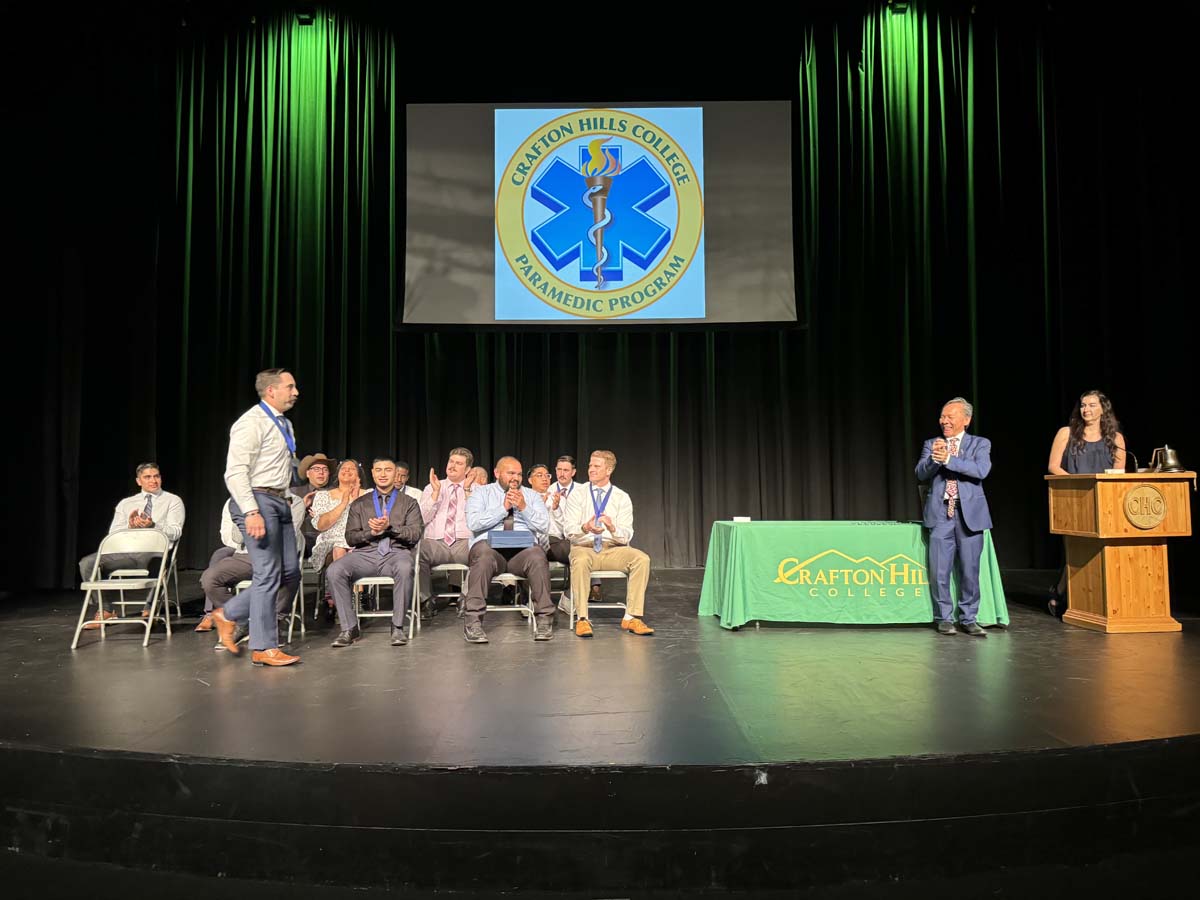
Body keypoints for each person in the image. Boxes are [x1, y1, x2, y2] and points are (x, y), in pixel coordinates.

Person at [213, 368, 302, 667]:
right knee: (267, 573)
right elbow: (235, 471)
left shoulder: (283, 424)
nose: (296, 392)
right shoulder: (250, 423)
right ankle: (264, 646)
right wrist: (251, 510)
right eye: (290, 387)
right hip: (257, 499)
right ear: (271, 391)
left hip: (279, 500)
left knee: (291, 572)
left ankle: (228, 613)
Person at [915, 397, 993, 638]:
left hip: (969, 515)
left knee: (970, 570)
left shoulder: (980, 444)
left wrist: (949, 459)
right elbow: (920, 473)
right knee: (939, 570)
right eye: (942, 416)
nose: (944, 421)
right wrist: (934, 460)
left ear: (966, 420)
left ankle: (969, 618)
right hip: (940, 514)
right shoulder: (932, 443)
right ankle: (944, 618)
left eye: (950, 417)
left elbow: (981, 471)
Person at [1045, 390, 1127, 616]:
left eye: (1092, 405)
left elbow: (1119, 473)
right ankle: (1063, 592)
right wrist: (1078, 486)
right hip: (1074, 500)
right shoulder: (1067, 433)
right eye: (1083, 405)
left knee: (1099, 552)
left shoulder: (1115, 438)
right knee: (1075, 550)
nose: (1086, 410)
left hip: (1106, 502)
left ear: (1103, 409)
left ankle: (1081, 597)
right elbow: (1054, 466)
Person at [327, 457, 423, 648]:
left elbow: (415, 534)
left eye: (388, 470)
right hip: (366, 554)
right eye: (378, 470)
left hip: (396, 552)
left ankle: (397, 627)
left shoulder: (409, 502)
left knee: (405, 567)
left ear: (396, 474)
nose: (383, 474)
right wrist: (371, 532)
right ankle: (349, 628)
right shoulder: (360, 504)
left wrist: (390, 528)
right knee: (335, 570)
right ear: (372, 473)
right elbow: (350, 538)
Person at [79, 462, 186, 627]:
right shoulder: (126, 503)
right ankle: (106, 610)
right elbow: (112, 533)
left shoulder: (172, 500)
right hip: (127, 552)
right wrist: (129, 526)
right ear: (138, 481)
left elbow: (176, 531)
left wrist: (153, 526)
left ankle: (150, 609)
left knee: (159, 559)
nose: (153, 480)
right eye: (147, 477)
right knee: (87, 563)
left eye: (156, 476)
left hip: (154, 551)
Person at [561, 450, 654, 638]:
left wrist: (612, 528)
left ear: (609, 470)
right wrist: (585, 527)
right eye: (590, 465)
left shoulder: (621, 497)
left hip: (612, 549)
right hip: (584, 548)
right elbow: (568, 530)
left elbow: (626, 535)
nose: (591, 470)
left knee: (641, 559)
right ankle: (582, 619)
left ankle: (631, 616)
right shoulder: (578, 494)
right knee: (579, 561)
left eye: (597, 466)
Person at [463, 456, 555, 643]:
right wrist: (503, 508)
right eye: (510, 473)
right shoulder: (481, 494)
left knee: (538, 556)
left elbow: (544, 525)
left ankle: (544, 619)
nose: (515, 478)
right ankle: (473, 622)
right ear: (497, 473)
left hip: (522, 550)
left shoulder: (531, 496)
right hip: (489, 546)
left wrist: (523, 507)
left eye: (519, 474)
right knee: (483, 558)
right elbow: (474, 523)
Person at [197, 494, 306, 636]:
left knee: (289, 573)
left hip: (277, 556)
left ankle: (273, 623)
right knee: (210, 578)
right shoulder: (238, 502)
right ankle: (242, 621)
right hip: (245, 556)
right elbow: (237, 537)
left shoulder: (294, 501)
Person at [416, 447, 475, 615]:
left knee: (482, 552)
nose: (453, 466)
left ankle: (467, 597)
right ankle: (425, 600)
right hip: (436, 543)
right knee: (417, 552)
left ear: (468, 469)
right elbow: (421, 519)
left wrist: (468, 491)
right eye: (451, 462)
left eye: (459, 463)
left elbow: (476, 519)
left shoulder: (476, 488)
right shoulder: (433, 486)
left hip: (464, 543)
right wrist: (435, 494)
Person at [310, 460, 366, 571]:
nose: (347, 470)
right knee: (339, 548)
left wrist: (355, 500)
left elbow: (369, 522)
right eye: (343, 468)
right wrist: (344, 502)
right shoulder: (323, 496)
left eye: (352, 468)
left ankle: (350, 587)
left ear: (359, 475)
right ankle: (346, 587)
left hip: (360, 539)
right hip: (331, 541)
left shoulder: (369, 494)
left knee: (354, 549)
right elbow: (321, 525)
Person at [296, 454, 334, 555]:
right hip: (301, 540)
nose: (321, 472)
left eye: (325, 469)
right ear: (308, 473)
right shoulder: (295, 493)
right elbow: (287, 520)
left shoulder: (336, 493)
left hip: (329, 541)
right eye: (316, 469)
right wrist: (302, 506)